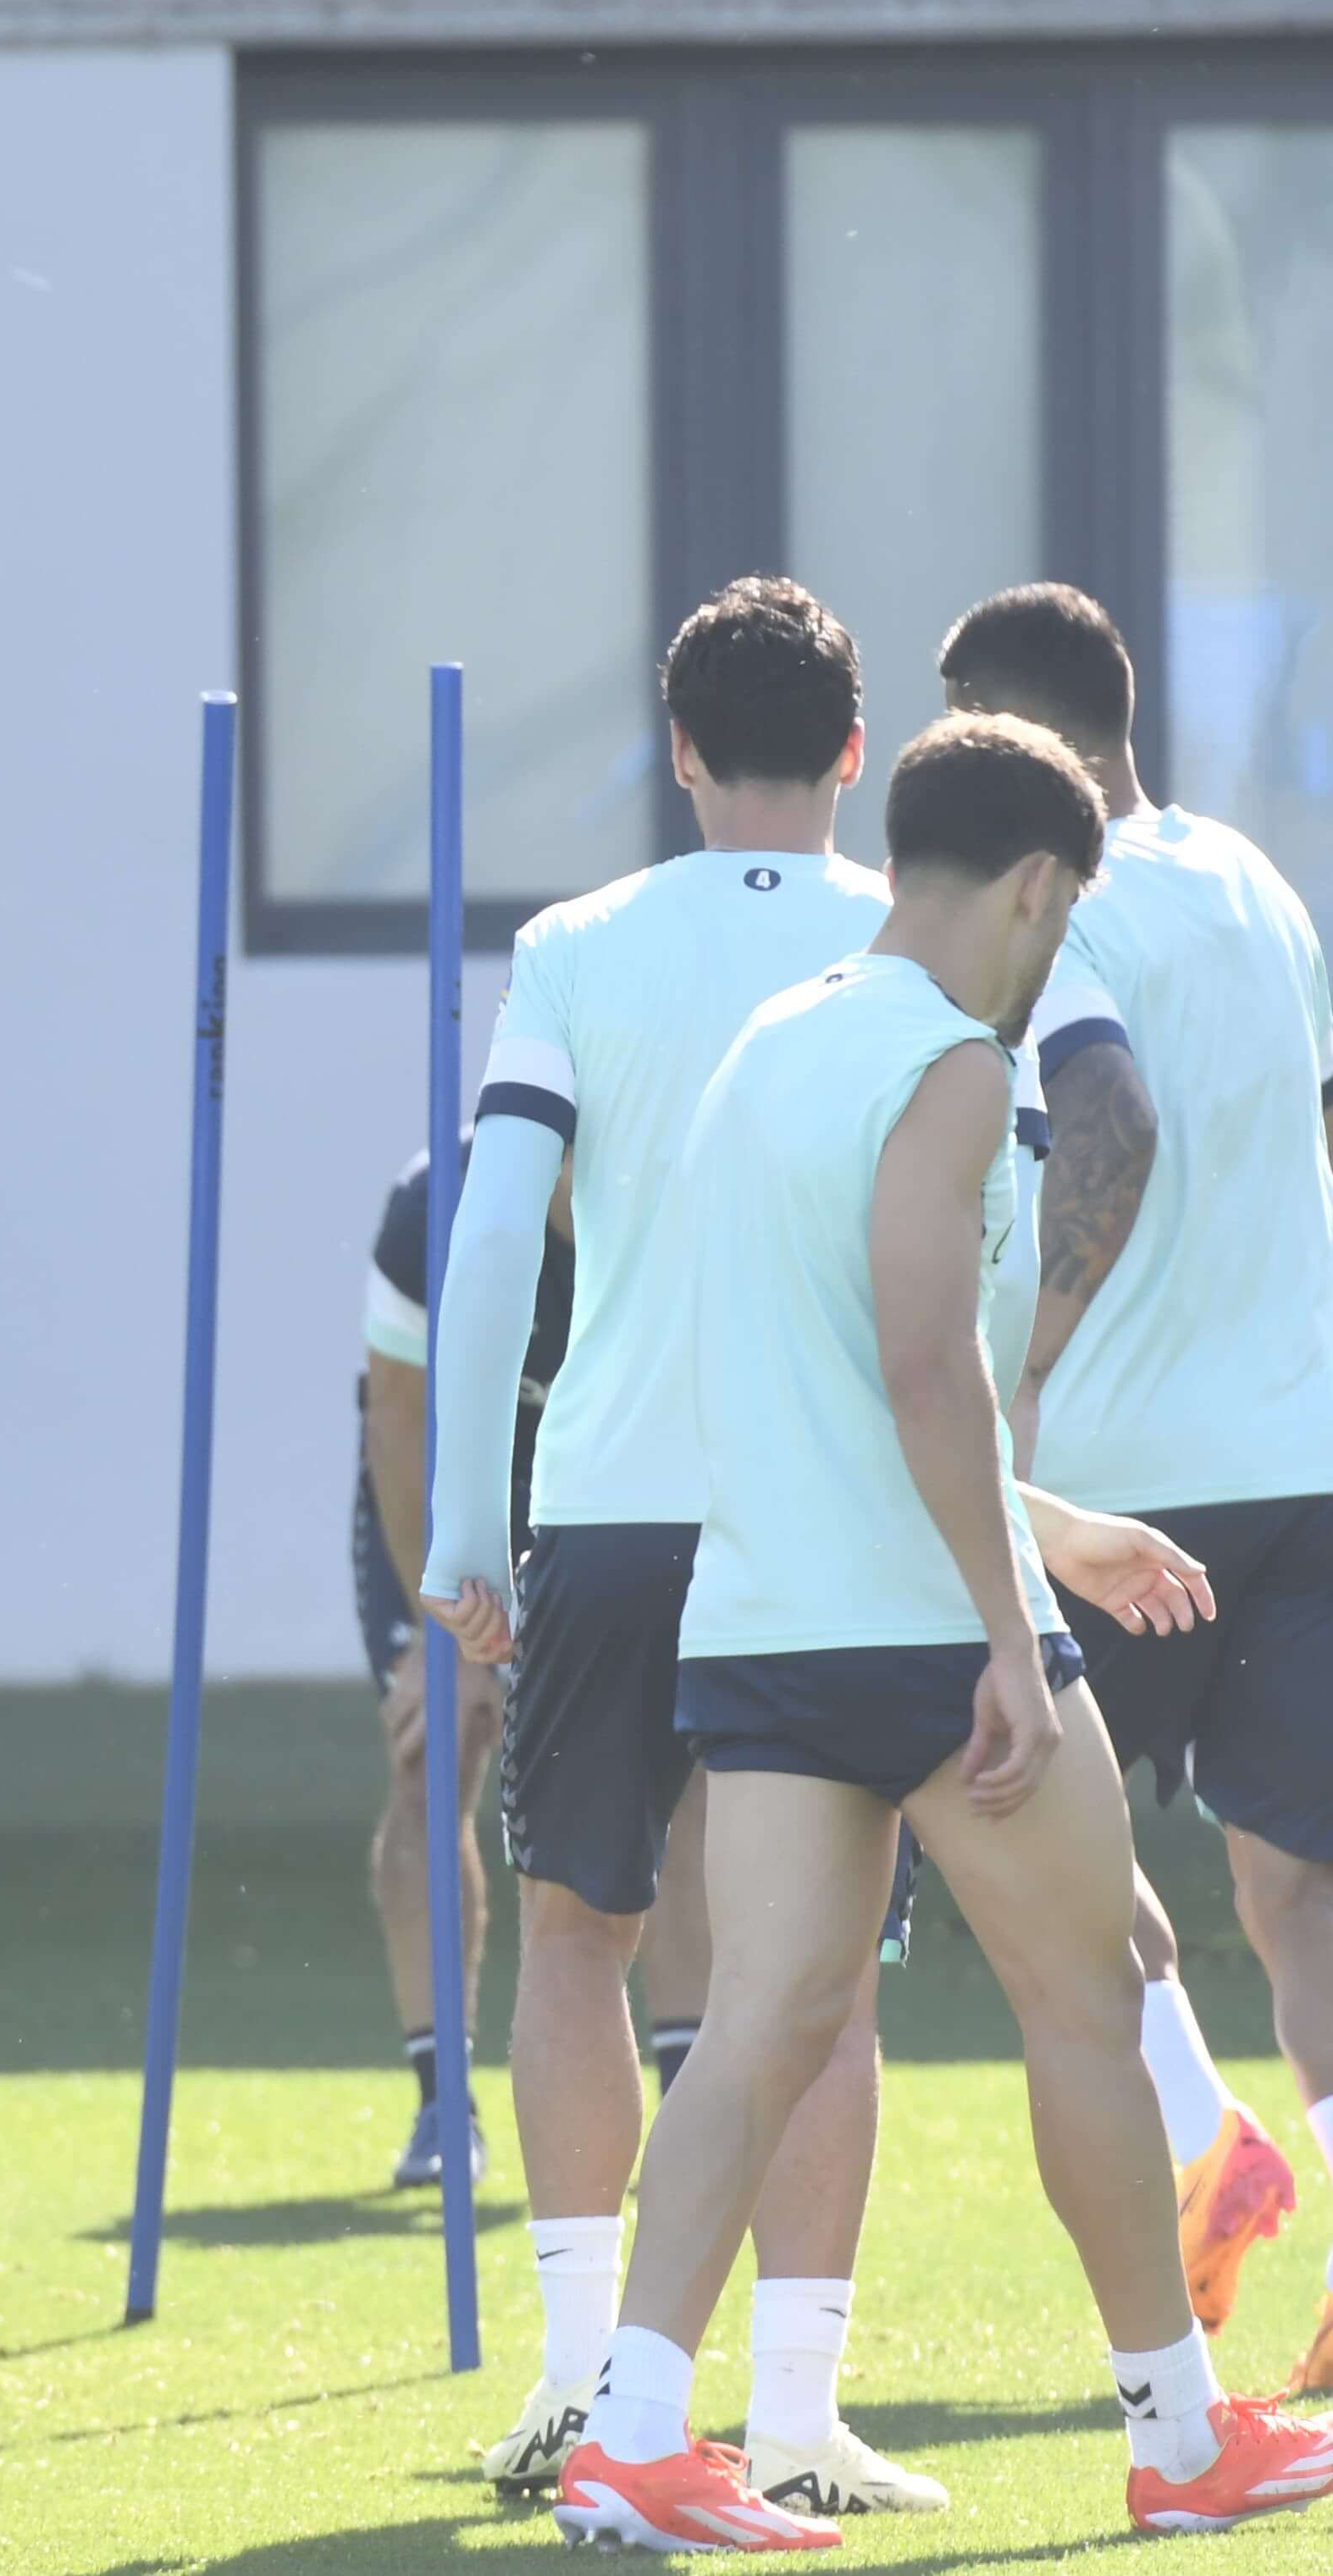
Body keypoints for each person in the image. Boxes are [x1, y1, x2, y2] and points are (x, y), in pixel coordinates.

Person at [547, 710, 1333, 2550]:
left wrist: (1055, 1533)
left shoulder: (773, 1038)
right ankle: (1173, 2433)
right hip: (917, 1629)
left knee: (756, 2021)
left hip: (759, 1617)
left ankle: (637, 2432)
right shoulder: (954, 1071)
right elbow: (921, 1363)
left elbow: (840, 1368)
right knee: (1093, 1995)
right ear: (1045, 884)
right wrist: (1009, 1624)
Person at [421, 578, 940, 2518]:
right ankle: (792, 2417)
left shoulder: (574, 939)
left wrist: (468, 1518)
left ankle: (580, 2383)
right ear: (853, 750)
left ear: (673, 749)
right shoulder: (911, 934)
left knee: (575, 1929)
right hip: (820, 1514)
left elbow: (492, 1237)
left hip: (612, 1502)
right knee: (819, 1980)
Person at [939, 584, 1333, 2374]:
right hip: (1303, 1453)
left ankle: (1202, 2137)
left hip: (1119, 1483)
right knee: (1300, 1885)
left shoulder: (1059, 901)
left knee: (1023, 1836)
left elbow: (1104, 1117)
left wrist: (1021, 1362)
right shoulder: (1252, 876)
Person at [357, 1142, 547, 2186]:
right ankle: (442, 2102)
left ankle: (686, 2075)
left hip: (592, 1469)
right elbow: (395, 1417)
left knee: (688, 1756)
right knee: (436, 1750)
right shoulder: (429, 1205)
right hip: (430, 1486)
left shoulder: (665, 1169)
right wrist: (444, 1634)